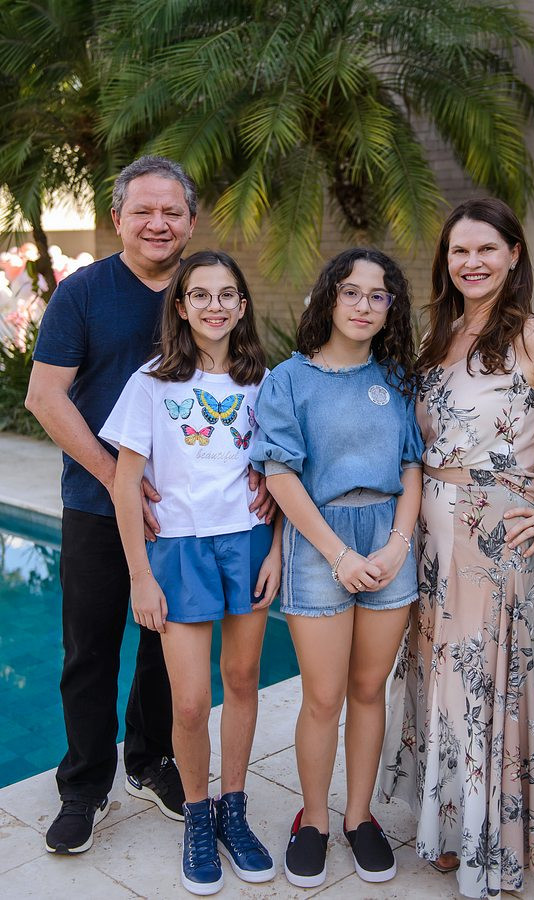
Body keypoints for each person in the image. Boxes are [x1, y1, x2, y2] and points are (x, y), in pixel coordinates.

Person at [379, 198, 534, 898]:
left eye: (486, 249)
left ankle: (492, 837)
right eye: (459, 251)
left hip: (493, 540)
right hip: (431, 539)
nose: (472, 262)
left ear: (514, 254)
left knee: (482, 687)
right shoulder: (440, 333)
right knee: (444, 682)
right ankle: (449, 823)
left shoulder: (531, 336)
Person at [24, 156, 271, 856]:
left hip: (192, 520)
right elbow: (45, 396)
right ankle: (84, 785)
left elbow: (248, 400)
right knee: (91, 647)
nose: (157, 223)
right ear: (118, 219)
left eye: (171, 212)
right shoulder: (83, 292)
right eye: (143, 211)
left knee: (169, 656)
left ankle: (150, 760)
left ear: (191, 222)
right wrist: (116, 479)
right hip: (98, 502)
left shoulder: (204, 291)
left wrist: (264, 476)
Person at [100, 250, 279, 894]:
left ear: (242, 304)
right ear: (180, 307)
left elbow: (282, 474)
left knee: (242, 679)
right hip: (178, 550)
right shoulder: (151, 383)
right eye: (200, 294)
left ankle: (234, 809)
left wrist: (276, 549)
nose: (214, 306)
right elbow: (126, 486)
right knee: (191, 699)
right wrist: (140, 576)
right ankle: (197, 816)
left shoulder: (265, 382)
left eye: (227, 294)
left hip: (248, 543)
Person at [250, 248, 424, 888]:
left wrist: (397, 545)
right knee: (323, 696)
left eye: (378, 295)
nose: (364, 305)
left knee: (368, 690)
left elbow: (412, 464)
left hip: (387, 541)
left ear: (391, 307)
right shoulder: (289, 379)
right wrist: (338, 554)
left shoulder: (397, 379)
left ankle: (359, 817)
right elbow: (279, 473)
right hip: (320, 542)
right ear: (329, 297)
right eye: (351, 291)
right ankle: (315, 821)